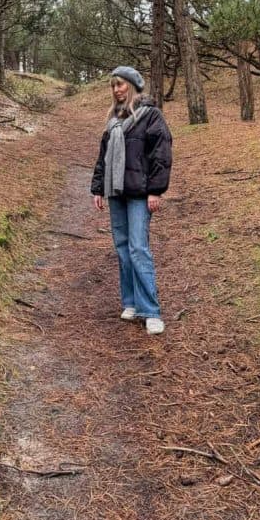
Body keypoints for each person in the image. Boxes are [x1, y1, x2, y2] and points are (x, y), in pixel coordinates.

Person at [90, 66, 172, 335]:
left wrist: (155, 191)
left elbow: (161, 154)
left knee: (138, 248)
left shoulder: (151, 116)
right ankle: (131, 302)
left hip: (139, 193)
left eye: (121, 84)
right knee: (123, 248)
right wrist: (98, 188)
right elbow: (103, 158)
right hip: (117, 193)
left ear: (134, 86)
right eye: (113, 85)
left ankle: (151, 311)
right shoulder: (113, 120)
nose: (117, 90)